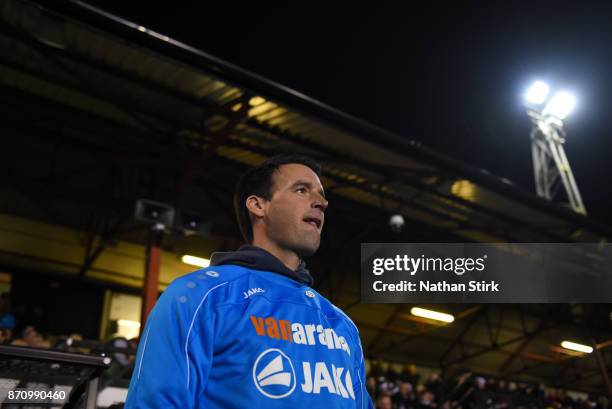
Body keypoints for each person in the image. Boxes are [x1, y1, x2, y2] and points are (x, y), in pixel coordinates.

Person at [125, 154, 373, 408]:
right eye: (301, 190)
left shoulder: (342, 325)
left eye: (321, 195)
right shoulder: (201, 296)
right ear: (258, 205)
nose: (321, 203)